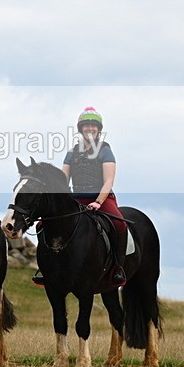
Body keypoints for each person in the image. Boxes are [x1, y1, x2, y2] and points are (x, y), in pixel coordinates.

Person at [61, 106, 127, 286]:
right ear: (81, 129)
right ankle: (50, 269)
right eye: (86, 125)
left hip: (102, 199)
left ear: (99, 129)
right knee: (46, 223)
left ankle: (117, 267)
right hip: (76, 200)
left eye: (93, 126)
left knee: (119, 224)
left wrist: (98, 202)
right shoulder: (71, 153)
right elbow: (62, 180)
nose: (90, 128)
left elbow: (108, 181)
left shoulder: (105, 150)